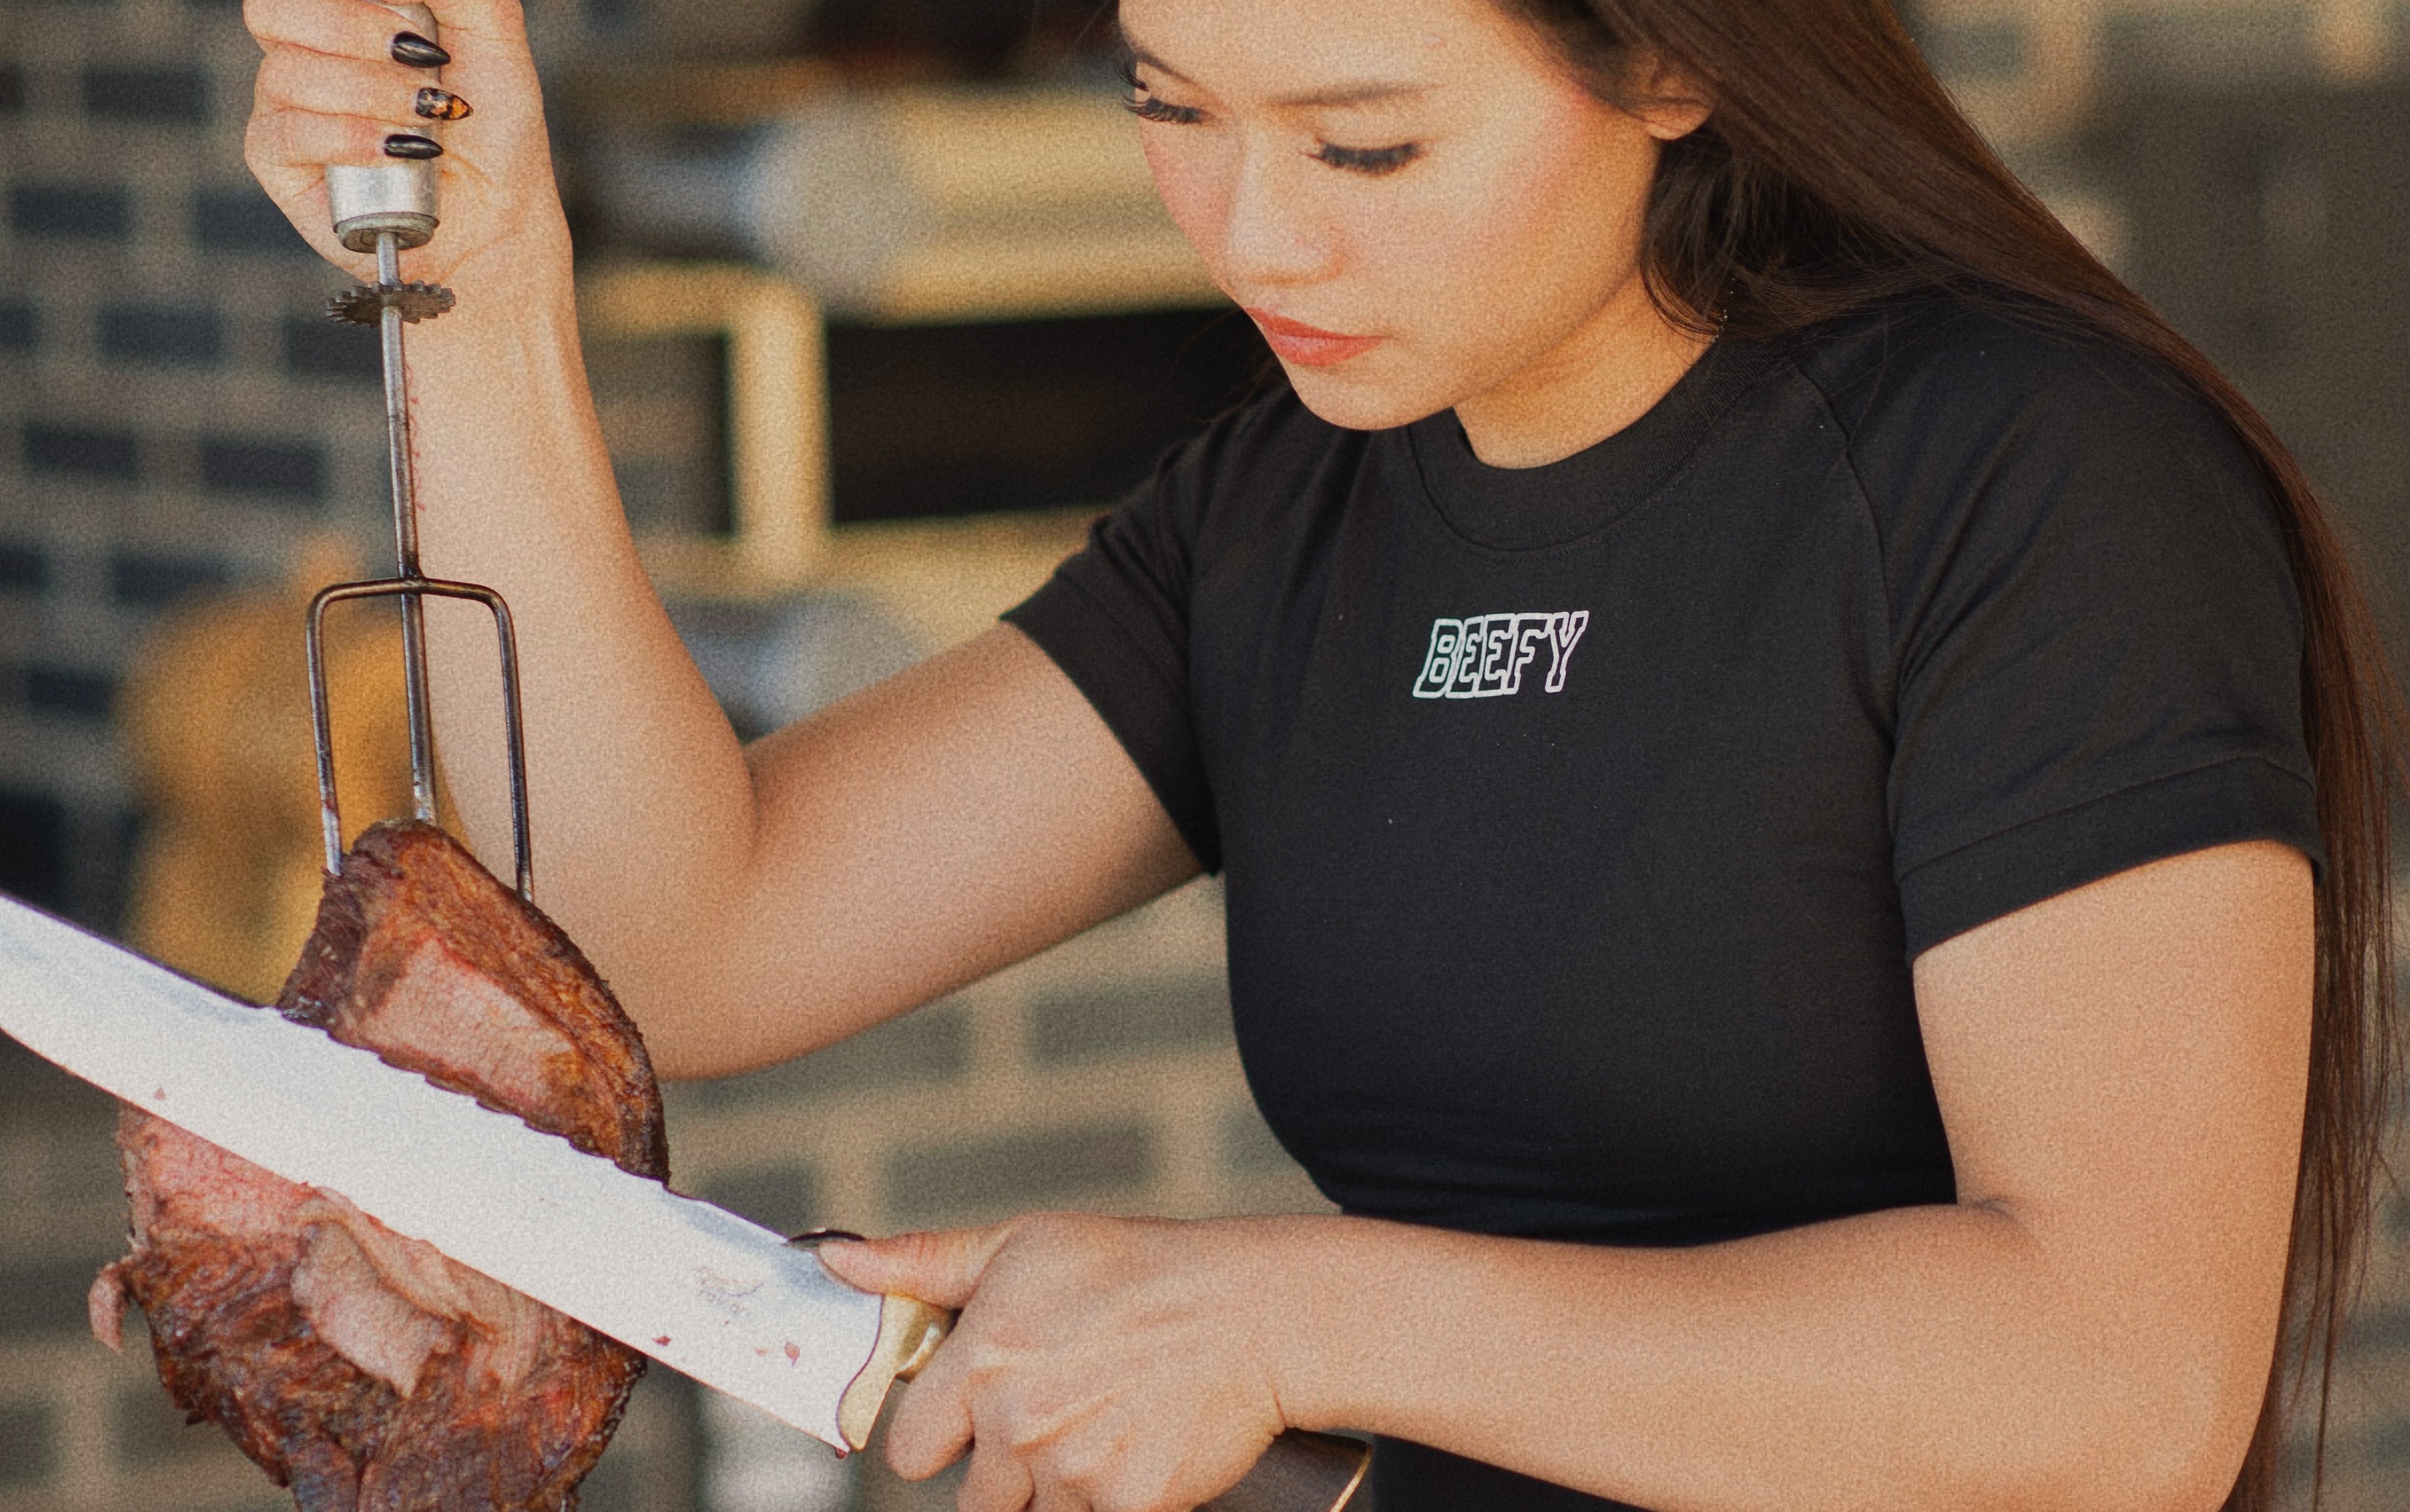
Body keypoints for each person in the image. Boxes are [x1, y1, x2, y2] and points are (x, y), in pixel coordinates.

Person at [241, 0, 2404, 1508]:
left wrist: (1283, 1312)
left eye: (1367, 141)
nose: (1253, 232)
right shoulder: (1284, 517)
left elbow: (2123, 1385)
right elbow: (675, 935)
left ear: (1673, 56)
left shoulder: (2031, 479)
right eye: (1172, 105)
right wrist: (490, 284)